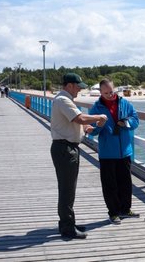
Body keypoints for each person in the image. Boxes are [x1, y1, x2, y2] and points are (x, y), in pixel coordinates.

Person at [50, 73, 108, 239]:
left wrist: (86, 128)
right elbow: (80, 118)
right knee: (67, 189)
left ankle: (67, 222)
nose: (80, 90)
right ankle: (67, 228)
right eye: (78, 87)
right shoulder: (63, 100)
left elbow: (75, 123)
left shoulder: (64, 100)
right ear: (69, 85)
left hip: (65, 147)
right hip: (65, 149)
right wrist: (99, 117)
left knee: (68, 188)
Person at [89, 79, 139, 225]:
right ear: (100, 92)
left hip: (125, 151)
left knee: (126, 182)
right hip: (107, 152)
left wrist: (126, 123)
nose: (110, 95)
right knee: (110, 184)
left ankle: (126, 209)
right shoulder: (96, 108)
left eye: (111, 91)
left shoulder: (125, 103)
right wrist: (99, 125)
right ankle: (114, 212)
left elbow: (136, 120)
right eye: (106, 93)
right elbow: (91, 131)